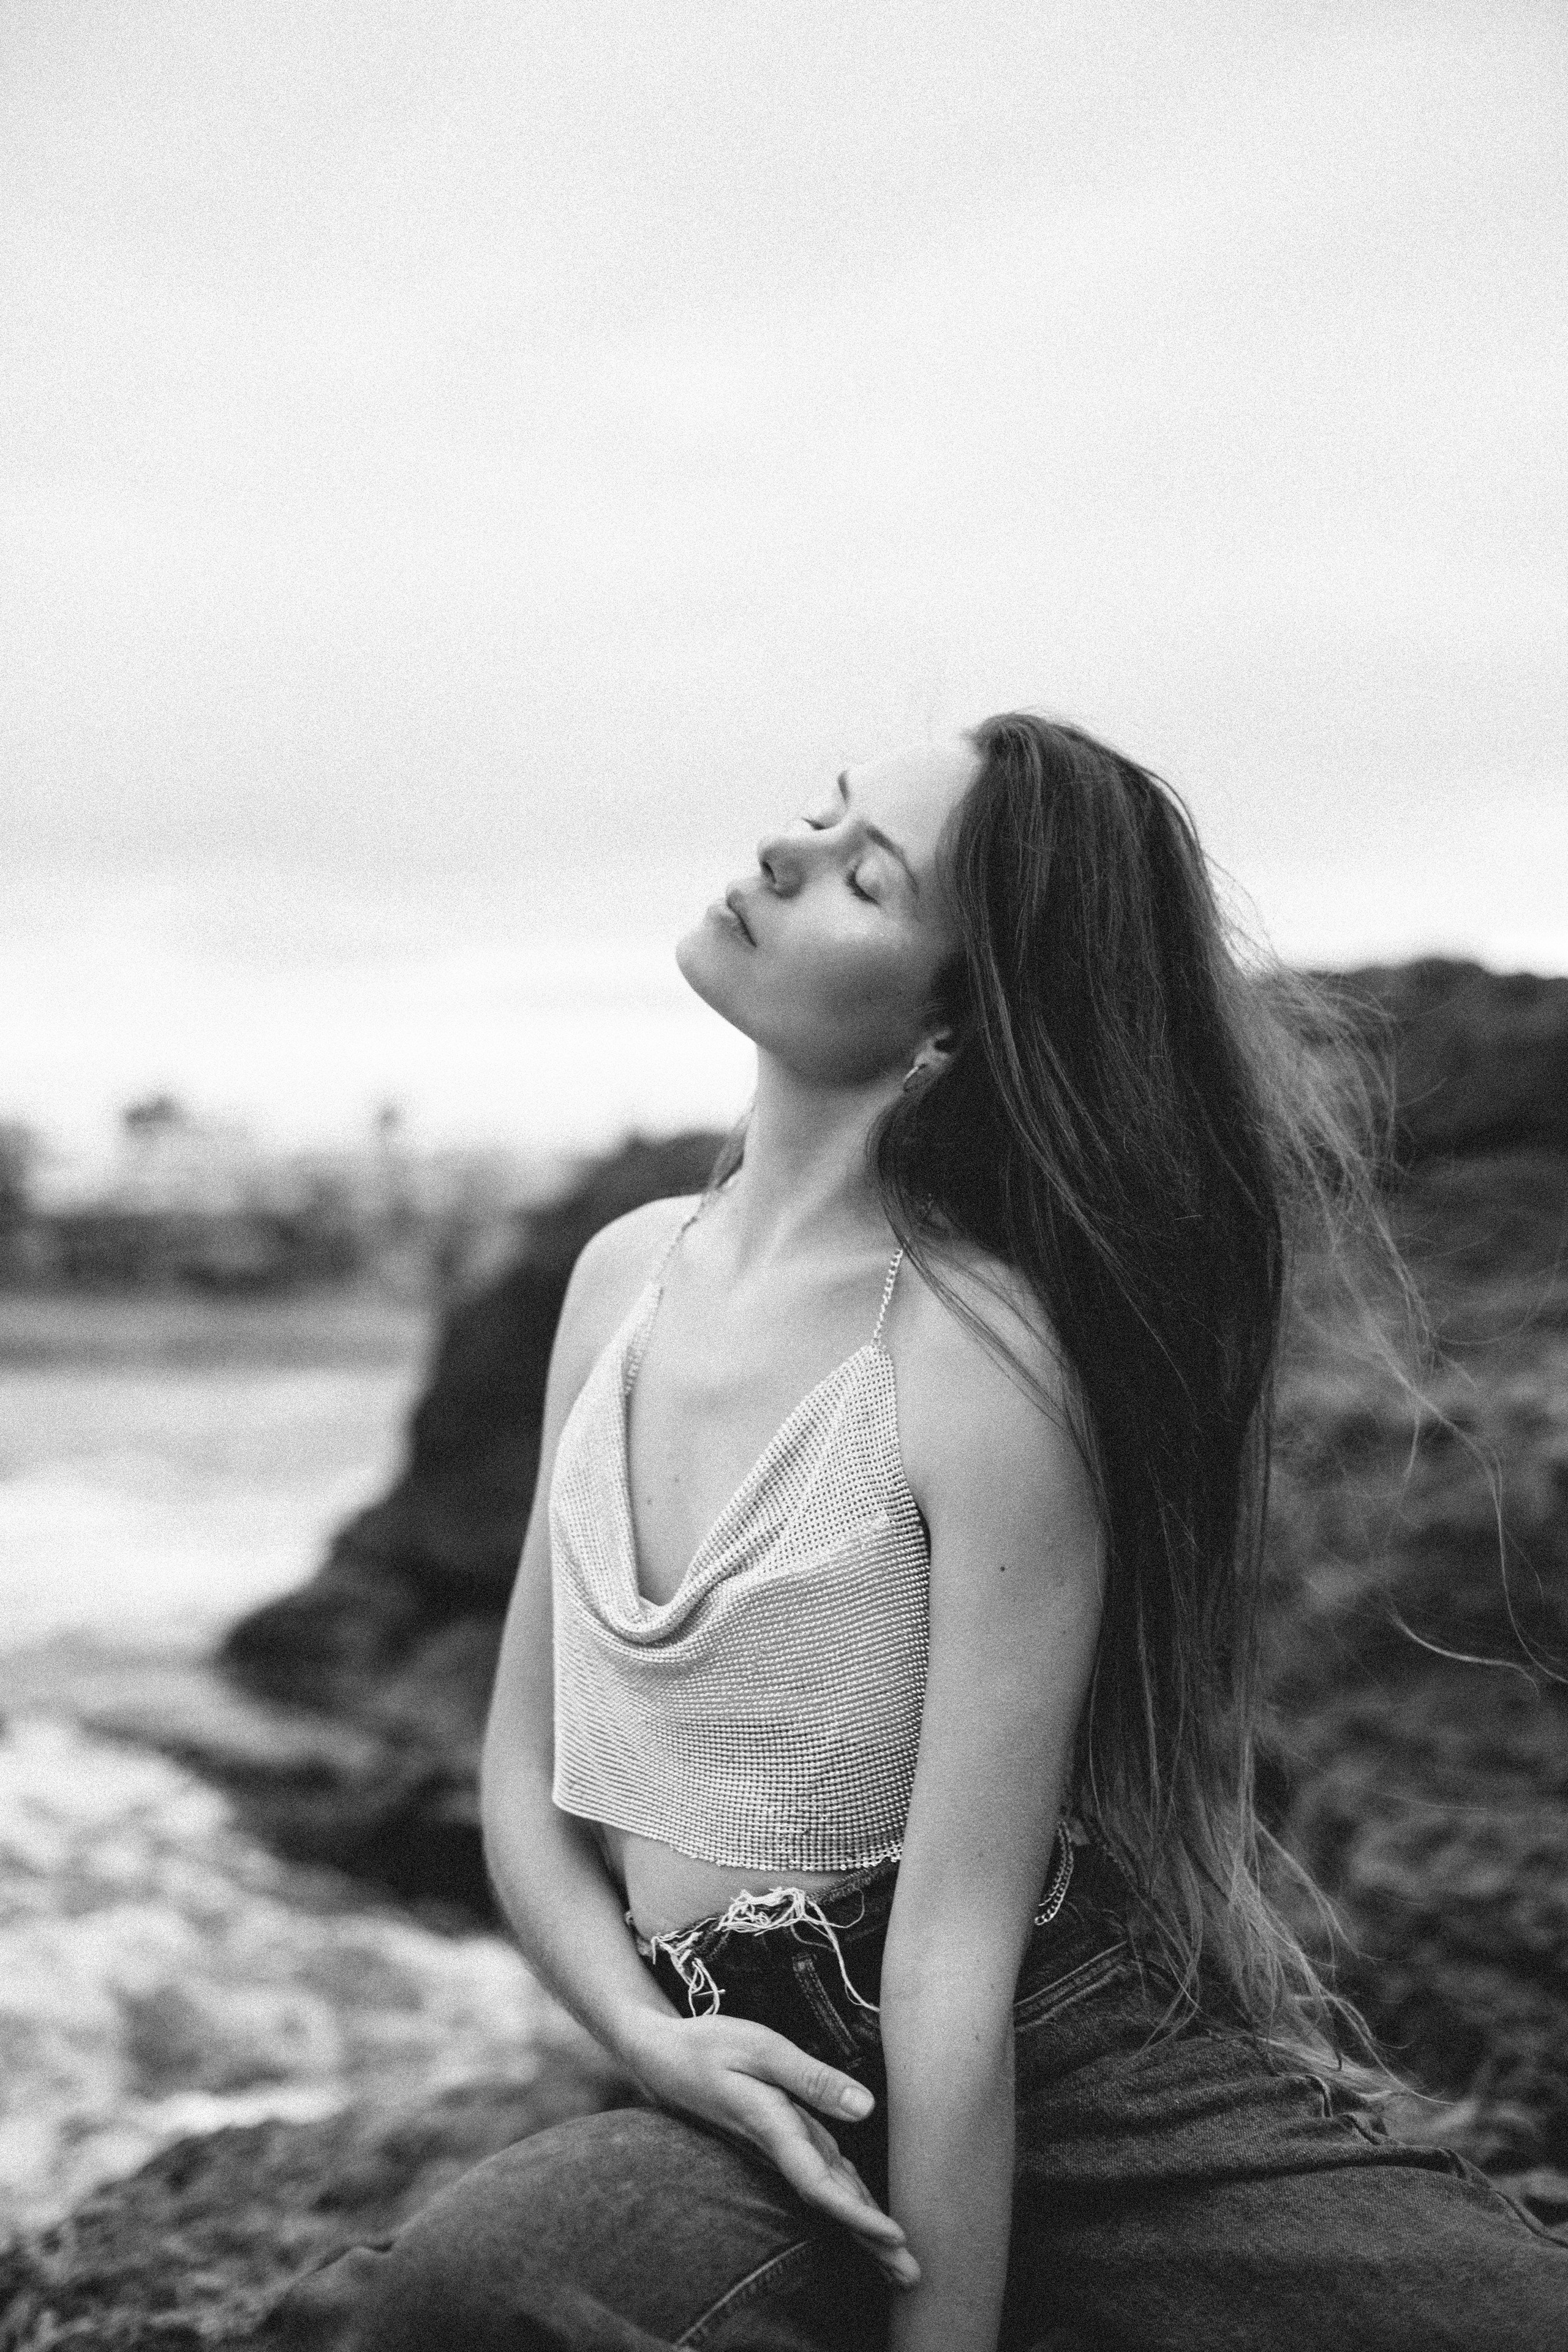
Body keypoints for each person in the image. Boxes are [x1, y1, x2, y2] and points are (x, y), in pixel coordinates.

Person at [263, 716, 1564, 2350]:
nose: (785, 857)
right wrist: (648, 2042)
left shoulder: (976, 1360)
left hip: (1061, 2074)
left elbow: (952, 1971)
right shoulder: (620, 1279)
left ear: (952, 1031)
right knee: (485, 2276)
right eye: (817, 819)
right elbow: (524, 1776)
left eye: (862, 876)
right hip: (753, 2079)